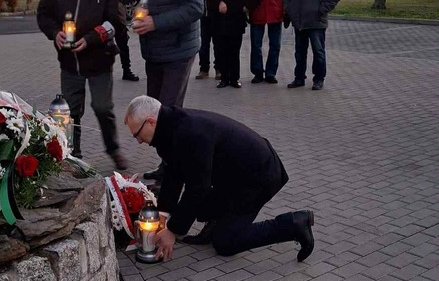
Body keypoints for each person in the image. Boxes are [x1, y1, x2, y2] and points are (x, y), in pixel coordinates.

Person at [124, 96, 314, 262]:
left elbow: (198, 187)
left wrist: (173, 231)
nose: (138, 141)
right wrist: (163, 215)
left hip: (258, 177)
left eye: (137, 135)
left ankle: (294, 224)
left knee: (226, 243)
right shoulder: (168, 130)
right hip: (233, 176)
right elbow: (174, 175)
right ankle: (214, 227)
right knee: (202, 207)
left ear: (150, 122)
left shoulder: (190, 134)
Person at [112, 0, 203, 183]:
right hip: (155, 51)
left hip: (178, 50)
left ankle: (175, 173)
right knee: (158, 111)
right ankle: (169, 167)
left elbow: (196, 6)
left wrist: (156, 22)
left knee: (165, 115)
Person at [37, 0, 127, 168]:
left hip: (99, 59)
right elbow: (43, 14)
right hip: (69, 61)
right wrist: (54, 32)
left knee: (102, 107)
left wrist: (91, 39)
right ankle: (72, 153)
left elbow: (116, 22)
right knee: (70, 110)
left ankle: (113, 148)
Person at [283, 0, 342, 90]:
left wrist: (321, 10)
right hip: (299, 21)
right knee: (299, 52)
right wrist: (289, 9)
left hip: (316, 21)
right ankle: (299, 78)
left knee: (318, 52)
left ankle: (319, 78)